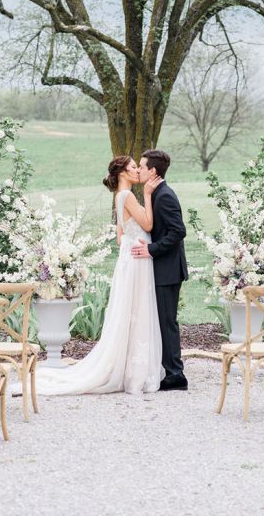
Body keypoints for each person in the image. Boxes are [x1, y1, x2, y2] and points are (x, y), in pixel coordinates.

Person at [27, 155, 165, 396]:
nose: (137, 171)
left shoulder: (118, 197)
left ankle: (126, 367)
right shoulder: (130, 196)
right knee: (138, 309)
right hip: (138, 258)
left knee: (129, 310)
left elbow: (121, 237)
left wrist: (132, 241)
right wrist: (149, 196)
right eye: (133, 167)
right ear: (122, 172)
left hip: (129, 257)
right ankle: (135, 371)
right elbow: (149, 225)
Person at [131, 150, 189, 391]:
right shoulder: (156, 193)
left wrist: (152, 249)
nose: (139, 170)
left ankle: (176, 375)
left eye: (142, 167)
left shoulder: (165, 196)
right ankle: (168, 368)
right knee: (163, 321)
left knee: (167, 322)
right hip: (162, 268)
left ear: (153, 171)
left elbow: (178, 231)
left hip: (167, 270)